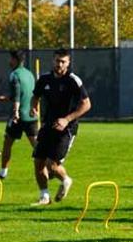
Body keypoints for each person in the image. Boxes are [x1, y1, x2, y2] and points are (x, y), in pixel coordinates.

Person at [30, 48, 91, 205]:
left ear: (68, 63)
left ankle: (66, 180)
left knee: (52, 165)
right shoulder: (44, 79)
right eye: (57, 61)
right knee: (38, 161)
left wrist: (67, 119)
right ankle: (44, 197)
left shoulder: (73, 80)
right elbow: (35, 96)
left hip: (66, 129)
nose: (60, 64)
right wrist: (33, 107)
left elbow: (86, 104)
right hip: (47, 126)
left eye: (63, 61)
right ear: (53, 60)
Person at [0, 50, 38, 180]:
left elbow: (17, 94)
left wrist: (16, 111)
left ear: (15, 60)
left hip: (18, 116)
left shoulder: (14, 74)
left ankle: (3, 173)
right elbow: (27, 93)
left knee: (7, 143)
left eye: (10, 59)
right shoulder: (29, 74)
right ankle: (50, 167)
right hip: (31, 115)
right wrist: (7, 97)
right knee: (37, 146)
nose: (9, 61)